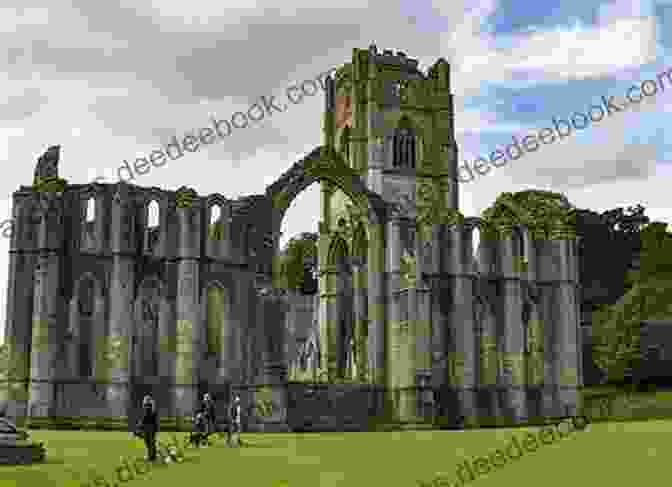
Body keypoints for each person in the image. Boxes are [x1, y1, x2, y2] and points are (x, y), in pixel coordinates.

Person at [135, 395, 159, 461]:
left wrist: (139, 426)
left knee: (149, 442)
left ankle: (151, 456)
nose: (143, 401)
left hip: (148, 428)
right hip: (152, 427)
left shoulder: (147, 408)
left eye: (144, 400)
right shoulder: (152, 408)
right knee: (151, 442)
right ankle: (152, 456)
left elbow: (145, 418)